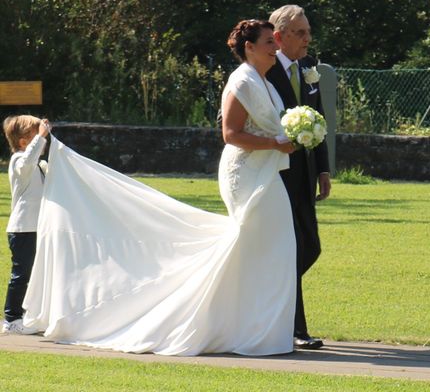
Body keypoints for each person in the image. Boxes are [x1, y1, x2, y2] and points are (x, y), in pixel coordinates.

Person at [22, 20, 298, 356]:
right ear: (250, 47)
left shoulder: (267, 83)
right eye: (269, 41)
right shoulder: (242, 80)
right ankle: (229, 325)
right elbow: (230, 133)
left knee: (274, 246)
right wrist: (274, 143)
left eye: (274, 41)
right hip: (246, 174)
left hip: (266, 173)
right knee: (255, 242)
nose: (275, 46)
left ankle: (254, 327)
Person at [266, 5, 331, 349]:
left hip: (304, 173)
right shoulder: (263, 68)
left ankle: (265, 295)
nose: (308, 39)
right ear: (278, 38)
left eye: (308, 31)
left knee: (311, 246)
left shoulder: (309, 67)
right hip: (274, 174)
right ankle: (296, 330)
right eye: (300, 33)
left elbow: (317, 119)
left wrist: (322, 168)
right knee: (292, 249)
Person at [2, 115, 50, 335]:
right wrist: (40, 137)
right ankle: (11, 318)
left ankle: (28, 314)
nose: (43, 139)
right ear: (23, 142)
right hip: (22, 229)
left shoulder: (39, 165)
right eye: (34, 135)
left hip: (37, 228)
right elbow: (26, 162)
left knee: (35, 273)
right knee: (22, 274)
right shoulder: (19, 161)